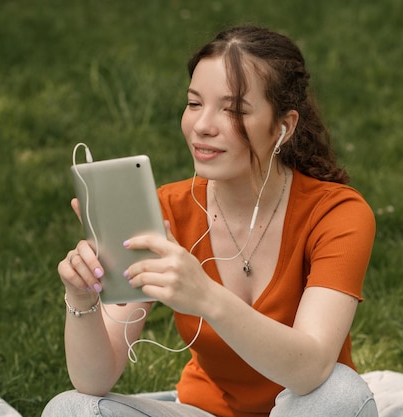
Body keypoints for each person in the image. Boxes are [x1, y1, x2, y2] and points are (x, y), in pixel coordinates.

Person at [42, 24, 378, 417]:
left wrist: (205, 296)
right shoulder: (164, 212)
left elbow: (312, 369)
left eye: (233, 109)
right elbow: (94, 382)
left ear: (283, 127)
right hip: (202, 412)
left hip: (303, 410)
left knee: (341, 393)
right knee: (70, 408)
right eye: (195, 103)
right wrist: (80, 299)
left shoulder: (337, 214)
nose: (202, 125)